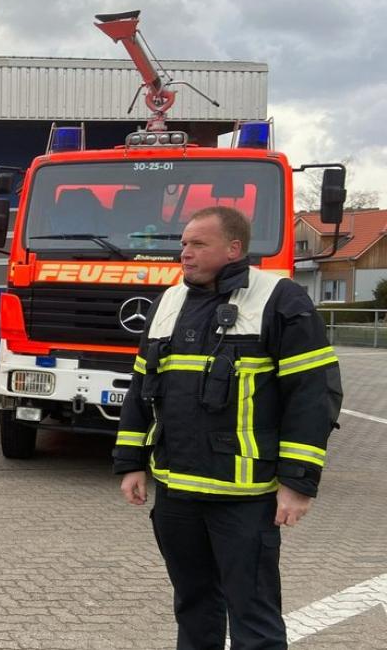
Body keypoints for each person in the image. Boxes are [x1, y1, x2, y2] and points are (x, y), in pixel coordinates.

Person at [113, 206, 342, 649]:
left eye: (198, 244)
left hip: (244, 499)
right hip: (177, 493)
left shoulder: (280, 299)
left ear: (233, 248)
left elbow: (314, 396)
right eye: (183, 244)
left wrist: (298, 483)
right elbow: (141, 387)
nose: (185, 253)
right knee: (193, 607)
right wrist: (131, 462)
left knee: (253, 617)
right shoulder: (168, 302)